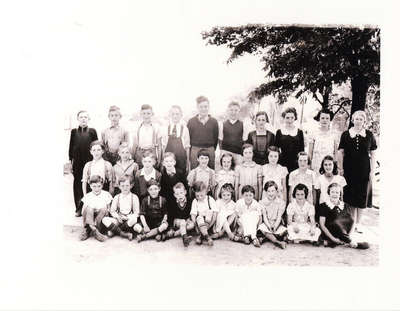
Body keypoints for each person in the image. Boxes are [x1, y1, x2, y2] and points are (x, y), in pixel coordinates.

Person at [337, 110, 377, 234]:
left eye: (361, 119)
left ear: (364, 121)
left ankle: (359, 224)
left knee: (362, 197)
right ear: (352, 120)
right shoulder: (346, 134)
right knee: (350, 197)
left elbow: (373, 153)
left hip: (364, 170)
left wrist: (372, 170)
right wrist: (340, 168)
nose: (358, 121)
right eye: (356, 118)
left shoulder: (369, 135)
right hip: (349, 170)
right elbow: (340, 152)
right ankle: (351, 223)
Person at [318, 183, 369, 249]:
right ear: (329, 193)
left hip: (344, 235)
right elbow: (322, 225)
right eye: (332, 192)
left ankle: (342, 241)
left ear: (340, 194)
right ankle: (348, 242)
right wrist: (333, 239)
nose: (335, 194)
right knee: (336, 222)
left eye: (337, 192)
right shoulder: (323, 206)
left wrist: (349, 236)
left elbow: (353, 222)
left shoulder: (346, 205)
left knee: (346, 221)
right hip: (331, 233)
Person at [68, 110, 98, 216]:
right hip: (77, 163)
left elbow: (96, 147)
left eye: (85, 117)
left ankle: (90, 208)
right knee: (77, 185)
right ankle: (78, 208)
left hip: (89, 162)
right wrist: (71, 162)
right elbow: (71, 148)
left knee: (90, 183)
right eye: (81, 117)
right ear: (78, 119)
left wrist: (96, 161)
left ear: (88, 119)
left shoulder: (92, 131)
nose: (83, 119)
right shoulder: (74, 132)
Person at [101, 175, 142, 240]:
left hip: (128, 220)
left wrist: (127, 217)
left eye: (127, 186)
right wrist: (117, 217)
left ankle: (114, 231)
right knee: (104, 219)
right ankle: (123, 234)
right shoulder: (117, 197)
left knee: (134, 220)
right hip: (118, 220)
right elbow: (112, 211)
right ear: (119, 186)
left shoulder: (134, 197)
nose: (125, 188)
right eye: (122, 186)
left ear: (131, 186)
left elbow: (137, 213)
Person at [187, 96, 219, 170]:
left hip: (209, 149)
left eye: (205, 106)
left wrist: (211, 149)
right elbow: (189, 138)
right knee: (195, 171)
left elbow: (215, 138)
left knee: (210, 171)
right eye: (201, 107)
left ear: (209, 107)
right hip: (195, 149)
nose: (203, 109)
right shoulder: (191, 121)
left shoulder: (214, 121)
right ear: (197, 107)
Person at [80, 175, 112, 242]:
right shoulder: (88, 196)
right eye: (94, 186)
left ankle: (95, 229)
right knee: (89, 208)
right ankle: (91, 229)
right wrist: (91, 211)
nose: (96, 189)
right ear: (90, 186)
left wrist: (101, 211)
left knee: (104, 208)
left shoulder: (106, 194)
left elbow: (109, 209)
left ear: (102, 185)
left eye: (99, 186)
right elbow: (83, 212)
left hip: (100, 219)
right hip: (90, 217)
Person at [315, 155, 347, 220]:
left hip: (336, 208)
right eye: (325, 165)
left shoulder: (340, 179)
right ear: (323, 166)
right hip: (324, 208)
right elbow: (318, 196)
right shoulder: (319, 179)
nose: (328, 167)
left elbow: (341, 196)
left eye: (330, 164)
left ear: (334, 165)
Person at [161, 105, 190, 173]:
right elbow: (164, 146)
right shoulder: (166, 128)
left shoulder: (185, 129)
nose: (175, 116)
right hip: (168, 162)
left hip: (181, 160)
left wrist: (188, 162)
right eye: (173, 114)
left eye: (177, 114)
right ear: (170, 115)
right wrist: (162, 161)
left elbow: (187, 147)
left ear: (181, 115)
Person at [258, 181, 287, 249]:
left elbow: (279, 217)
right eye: (268, 191)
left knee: (284, 231)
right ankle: (277, 242)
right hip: (267, 223)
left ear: (276, 191)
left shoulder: (280, 202)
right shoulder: (262, 202)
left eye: (273, 191)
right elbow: (264, 217)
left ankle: (267, 238)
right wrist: (269, 226)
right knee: (262, 228)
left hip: (277, 223)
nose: (271, 193)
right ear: (265, 192)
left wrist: (275, 226)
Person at [275, 107, 305, 173]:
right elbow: (276, 149)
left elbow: (302, 150)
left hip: (296, 163)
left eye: (292, 118)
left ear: (295, 118)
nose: (290, 120)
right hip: (283, 162)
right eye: (287, 118)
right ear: (284, 118)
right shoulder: (279, 132)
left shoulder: (299, 132)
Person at [131, 104, 161, 169]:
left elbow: (159, 146)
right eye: (144, 113)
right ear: (141, 114)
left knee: (152, 173)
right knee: (140, 173)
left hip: (151, 152)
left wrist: (159, 159)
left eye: (148, 113)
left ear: (152, 114)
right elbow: (134, 144)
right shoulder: (137, 127)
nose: (146, 116)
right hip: (140, 153)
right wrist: (132, 158)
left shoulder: (156, 126)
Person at [165, 182, 195, 247]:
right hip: (177, 221)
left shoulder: (189, 201)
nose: (180, 195)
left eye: (181, 193)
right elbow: (171, 216)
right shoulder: (173, 203)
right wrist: (171, 228)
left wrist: (189, 220)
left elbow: (191, 213)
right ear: (174, 195)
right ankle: (184, 238)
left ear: (185, 192)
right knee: (182, 222)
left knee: (192, 225)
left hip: (186, 220)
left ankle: (175, 234)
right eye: (177, 194)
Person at [218, 101, 247, 167]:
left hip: (238, 154)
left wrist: (242, 155)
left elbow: (244, 141)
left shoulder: (243, 124)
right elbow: (220, 140)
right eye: (231, 110)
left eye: (236, 110)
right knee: (226, 173)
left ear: (239, 111)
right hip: (226, 153)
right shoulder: (222, 124)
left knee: (237, 173)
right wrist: (222, 154)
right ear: (228, 111)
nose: (233, 112)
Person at [190, 181, 218, 246]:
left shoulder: (210, 199)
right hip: (200, 223)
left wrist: (209, 225)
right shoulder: (195, 201)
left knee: (209, 212)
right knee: (199, 217)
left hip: (209, 222)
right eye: (197, 196)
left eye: (201, 195)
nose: (199, 197)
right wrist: (196, 226)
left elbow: (215, 213)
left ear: (205, 192)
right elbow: (193, 214)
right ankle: (207, 237)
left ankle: (201, 235)